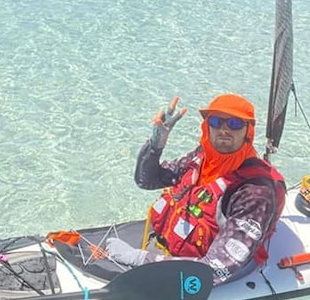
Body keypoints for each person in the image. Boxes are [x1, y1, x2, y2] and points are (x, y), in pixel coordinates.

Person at [105, 94, 286, 285]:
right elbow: (146, 180)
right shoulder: (201, 157)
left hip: (200, 274)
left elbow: (217, 269)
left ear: (248, 131)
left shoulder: (255, 193)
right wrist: (156, 144)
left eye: (234, 123)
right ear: (207, 126)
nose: (224, 129)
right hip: (166, 250)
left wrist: (139, 259)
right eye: (216, 121)